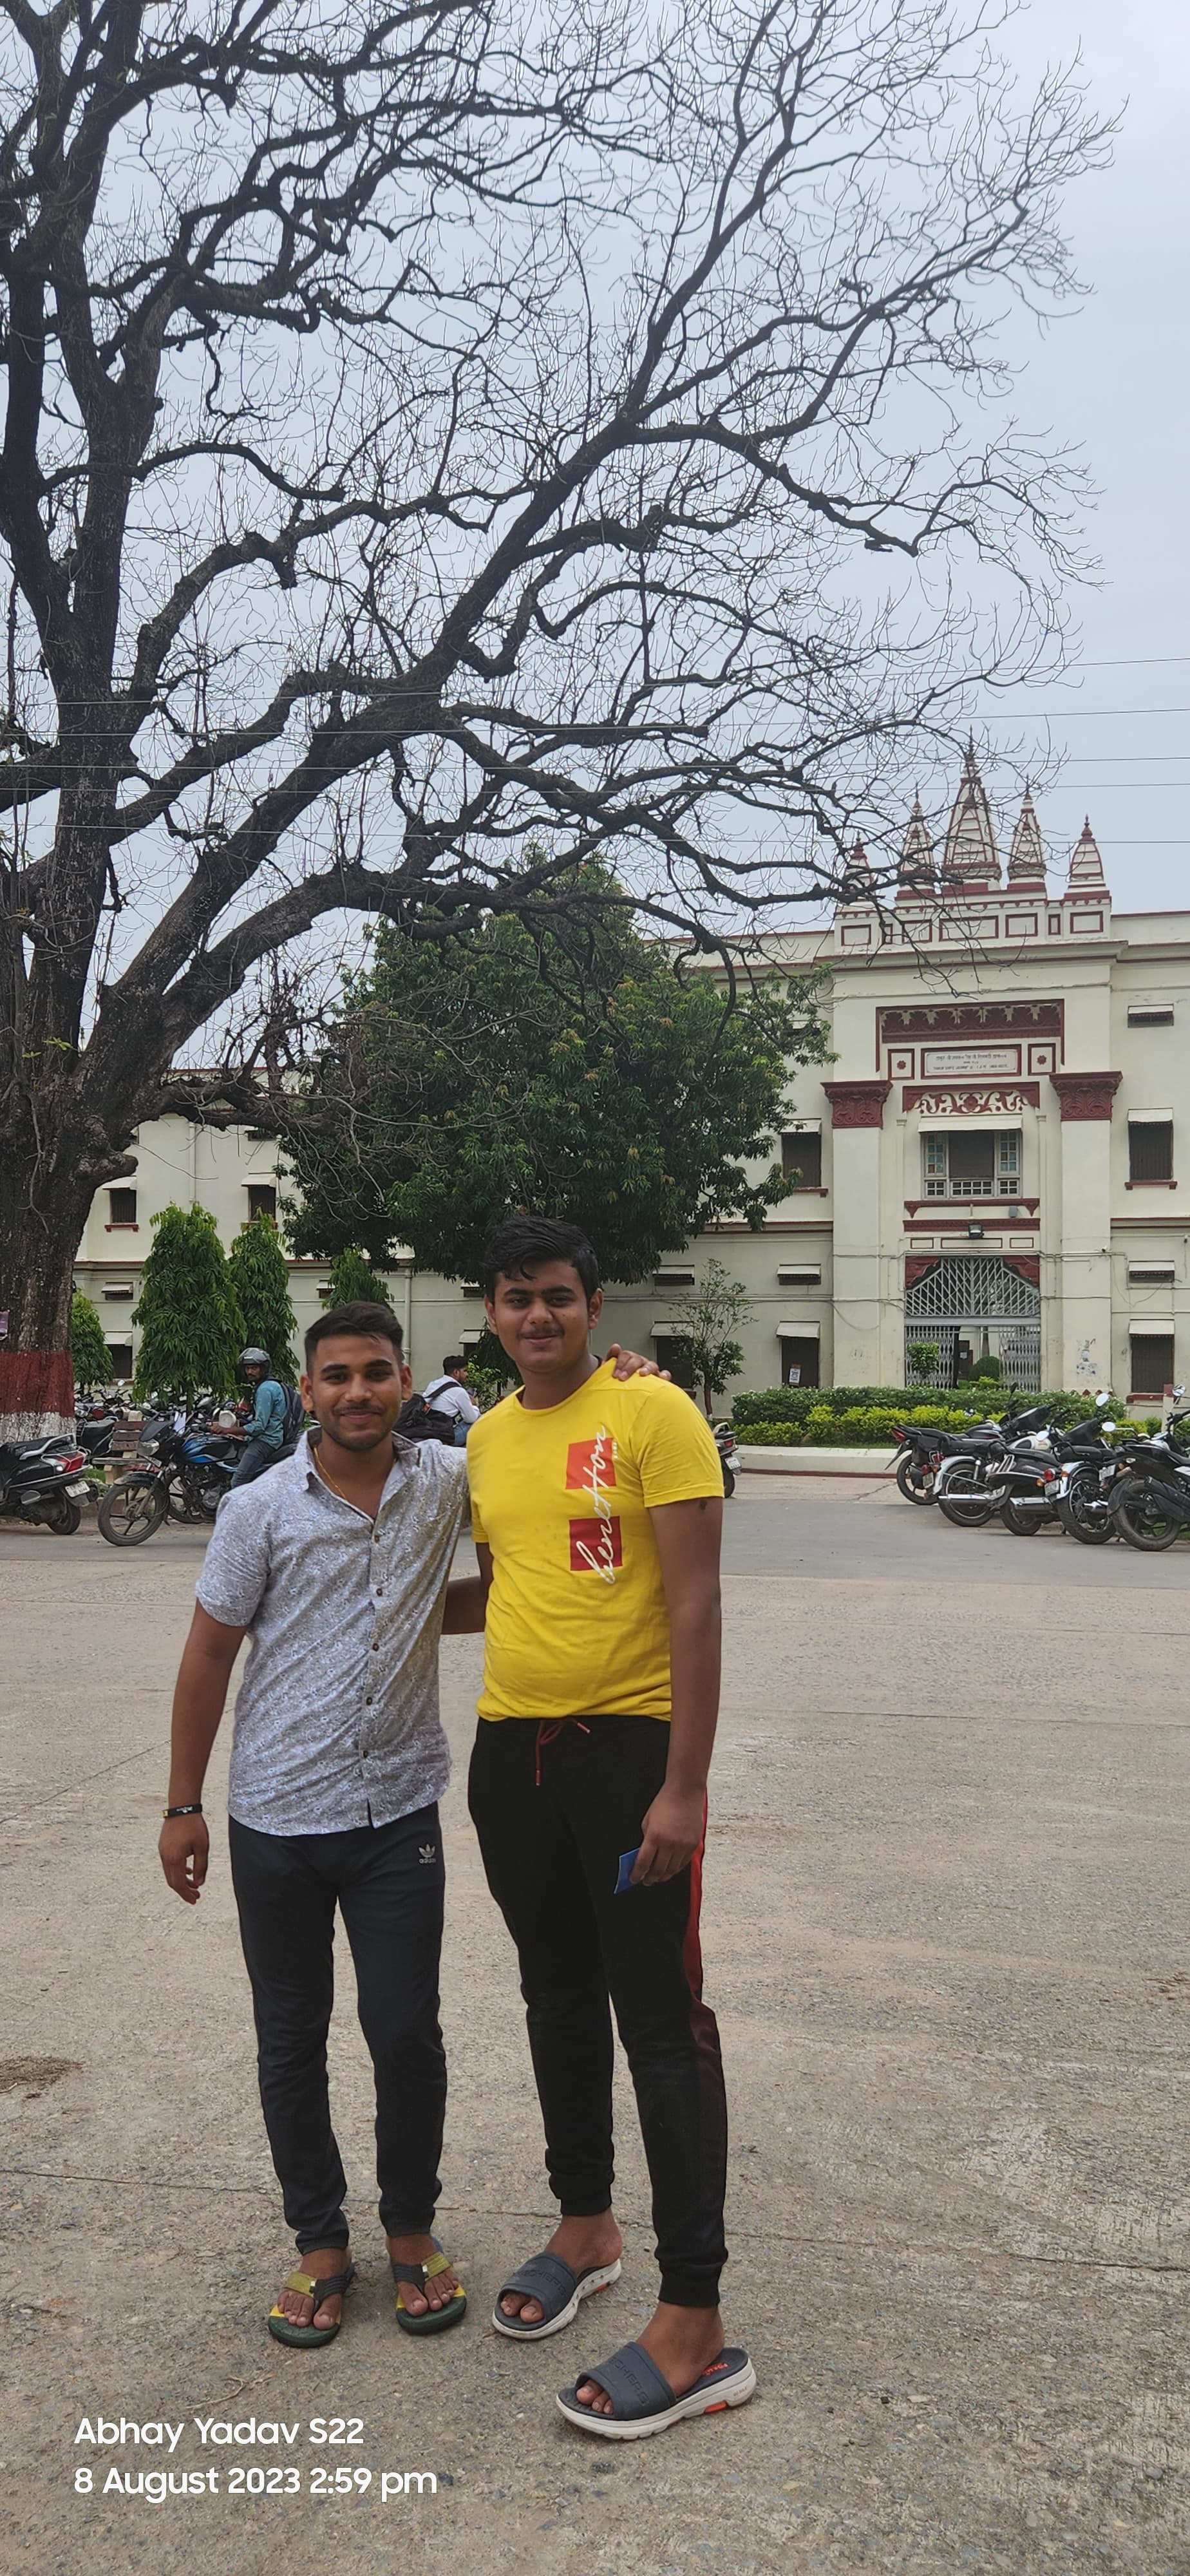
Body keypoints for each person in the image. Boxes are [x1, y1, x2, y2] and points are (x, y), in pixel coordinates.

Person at [158, 1296, 664, 2349]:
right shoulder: (258, 1509)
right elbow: (208, 1653)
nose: (358, 1392)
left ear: (404, 1381)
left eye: (376, 1372)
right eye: (337, 1376)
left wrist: (626, 1383)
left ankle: (409, 2230)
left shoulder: (448, 1476)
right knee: (290, 2036)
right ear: (307, 1391)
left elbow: (543, 1459)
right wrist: (181, 1804)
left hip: (396, 1814)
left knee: (404, 2032)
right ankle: (318, 2244)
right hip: (275, 1819)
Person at [462, 1215, 754, 2441]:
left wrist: (682, 1786)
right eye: (515, 1297)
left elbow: (695, 1603)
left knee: (660, 2023)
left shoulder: (652, 1414)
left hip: (629, 1756)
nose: (536, 1315)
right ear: (490, 1313)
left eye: (557, 1296)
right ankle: (584, 2225)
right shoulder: (484, 1437)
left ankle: (694, 2321)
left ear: (593, 1304)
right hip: (510, 1756)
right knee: (555, 1999)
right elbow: (509, 1586)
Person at [228, 1347, 288, 1488]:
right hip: (269, 1436)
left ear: (263, 1369)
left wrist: (228, 1430)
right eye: (248, 1368)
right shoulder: (269, 1385)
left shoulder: (265, 1389)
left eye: (254, 1368)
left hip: (266, 1440)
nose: (250, 1372)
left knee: (238, 1482)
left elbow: (259, 1426)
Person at [421, 1356, 481, 1434]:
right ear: (456, 1372)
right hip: (446, 1435)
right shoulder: (459, 1392)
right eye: (465, 1371)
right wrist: (474, 1406)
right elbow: (471, 1419)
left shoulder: (433, 1384)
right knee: (479, 1420)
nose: (467, 1374)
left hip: (428, 1430)